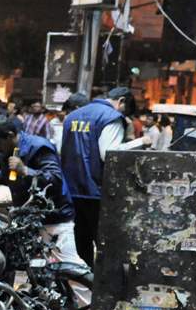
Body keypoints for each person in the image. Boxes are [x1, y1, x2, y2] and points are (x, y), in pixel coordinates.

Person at [60, 86, 151, 266]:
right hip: (97, 190)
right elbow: (109, 152)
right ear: (121, 101)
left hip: (72, 189)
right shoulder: (111, 117)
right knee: (105, 244)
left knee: (82, 240)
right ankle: (102, 287)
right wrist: (141, 142)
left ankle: (83, 283)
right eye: (125, 110)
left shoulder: (71, 117)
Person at [0, 118, 84, 266]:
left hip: (53, 216)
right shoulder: (7, 151)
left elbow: (55, 178)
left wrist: (25, 170)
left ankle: (87, 289)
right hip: (27, 218)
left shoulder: (38, 147)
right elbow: (11, 179)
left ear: (10, 135)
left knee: (69, 265)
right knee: (32, 265)